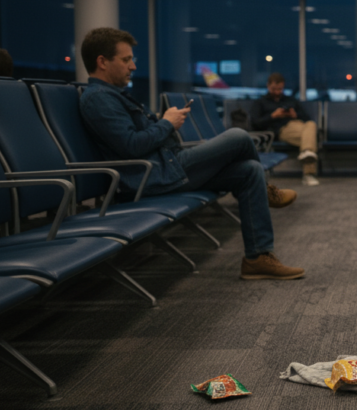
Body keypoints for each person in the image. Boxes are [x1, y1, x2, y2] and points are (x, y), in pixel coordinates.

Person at [78, 27, 305, 280]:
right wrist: (166, 123)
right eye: (126, 59)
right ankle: (267, 190)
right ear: (102, 62)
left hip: (167, 167)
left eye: (132, 59)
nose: (132, 66)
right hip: (152, 177)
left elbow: (140, 139)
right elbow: (131, 146)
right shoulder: (98, 99)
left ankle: (258, 258)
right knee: (239, 137)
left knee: (249, 172)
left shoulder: (114, 96)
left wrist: (165, 122)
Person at [250, 73, 320, 186]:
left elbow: (307, 118)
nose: (277, 92)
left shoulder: (290, 100)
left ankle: (307, 152)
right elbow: (255, 123)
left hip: (299, 126)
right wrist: (273, 116)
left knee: (311, 125)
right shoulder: (260, 103)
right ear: (268, 86)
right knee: (310, 138)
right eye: (274, 89)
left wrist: (294, 115)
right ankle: (308, 173)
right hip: (281, 129)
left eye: (280, 89)